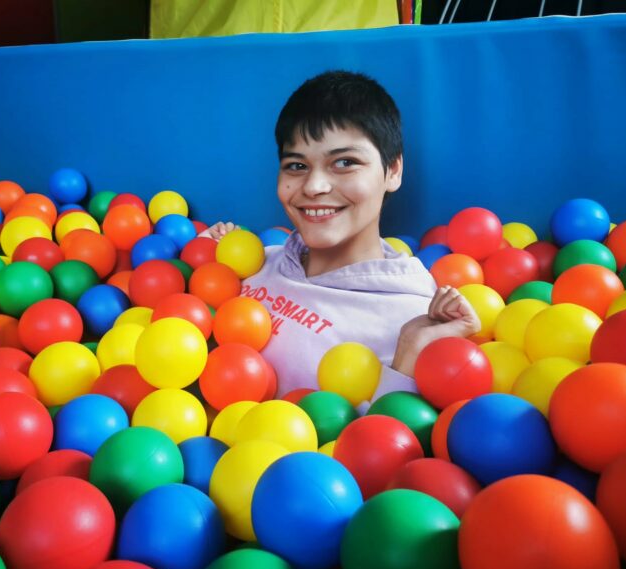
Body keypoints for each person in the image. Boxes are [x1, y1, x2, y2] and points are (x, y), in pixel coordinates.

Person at [201, 70, 480, 407]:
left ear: (393, 170)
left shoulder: (416, 319)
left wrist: (405, 367)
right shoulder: (260, 260)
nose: (314, 186)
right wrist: (200, 256)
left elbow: (377, 449)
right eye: (296, 166)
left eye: (344, 162)